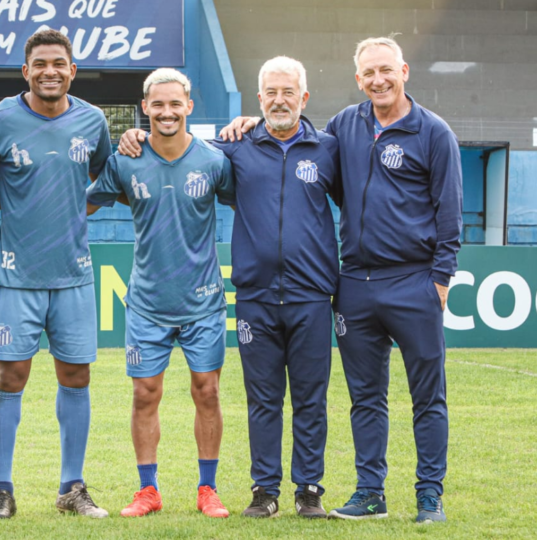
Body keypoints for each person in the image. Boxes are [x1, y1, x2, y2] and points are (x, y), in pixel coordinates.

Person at [218, 38, 463, 523]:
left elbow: (450, 212)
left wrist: (440, 278)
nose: (378, 80)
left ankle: (429, 495)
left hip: (413, 281)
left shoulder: (432, 133)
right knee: (364, 398)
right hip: (354, 285)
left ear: (404, 71)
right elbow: (272, 145)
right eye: (369, 72)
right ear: (357, 79)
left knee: (426, 396)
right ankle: (370, 493)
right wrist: (243, 123)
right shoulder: (342, 129)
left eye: (386, 70)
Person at [0, 29, 112, 519]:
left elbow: (104, 176)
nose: (49, 70)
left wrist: (73, 206)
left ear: (72, 70)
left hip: (73, 274)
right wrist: (10, 199)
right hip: (16, 276)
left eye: (59, 63)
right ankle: (2, 489)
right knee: (11, 375)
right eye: (40, 63)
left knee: (76, 374)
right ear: (25, 71)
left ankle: (71, 488)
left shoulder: (93, 121)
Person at [87, 68, 235, 520]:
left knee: (207, 391)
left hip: (203, 301)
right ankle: (147, 490)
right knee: (145, 394)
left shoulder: (214, 161)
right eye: (158, 104)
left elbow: (252, 199)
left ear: (189, 106)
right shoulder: (124, 159)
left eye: (176, 104)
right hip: (148, 303)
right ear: (145, 106)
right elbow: (82, 204)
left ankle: (207, 488)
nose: (167, 112)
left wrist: (245, 126)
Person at [211, 57, 340, 519]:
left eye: (289, 92)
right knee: (262, 398)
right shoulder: (235, 147)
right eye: (271, 93)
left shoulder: (329, 149)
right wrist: (138, 136)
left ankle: (309, 490)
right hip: (255, 299)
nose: (279, 100)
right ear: (259, 98)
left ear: (304, 98)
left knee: (310, 398)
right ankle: (265, 490)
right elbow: (180, 151)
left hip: (311, 299)